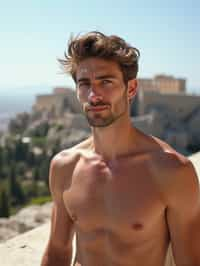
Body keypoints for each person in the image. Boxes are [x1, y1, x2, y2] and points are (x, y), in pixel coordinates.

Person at [41, 31, 200, 266]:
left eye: (106, 82)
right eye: (85, 84)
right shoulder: (65, 166)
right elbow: (57, 252)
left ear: (132, 88)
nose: (94, 96)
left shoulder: (172, 171)